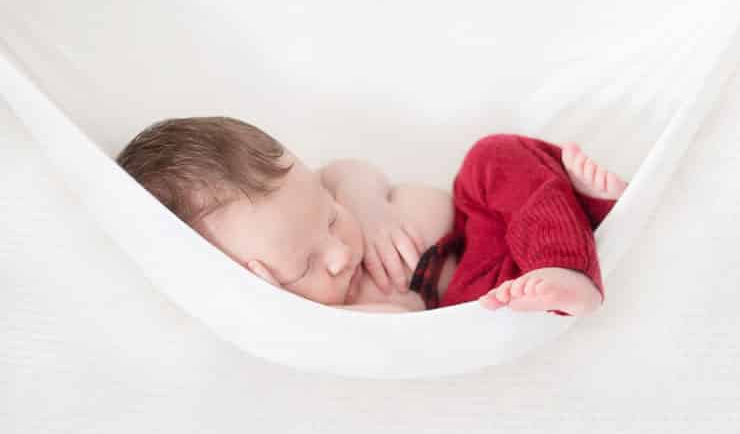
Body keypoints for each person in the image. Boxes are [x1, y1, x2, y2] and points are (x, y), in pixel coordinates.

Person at [115, 117, 627, 316]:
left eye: (331, 217)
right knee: (512, 295)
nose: (341, 252)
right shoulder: (323, 317)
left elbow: (349, 170)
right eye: (308, 264)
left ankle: (576, 233)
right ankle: (575, 248)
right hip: (481, 290)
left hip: (477, 219)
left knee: (491, 157)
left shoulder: (318, 197)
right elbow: (399, 323)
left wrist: (366, 206)